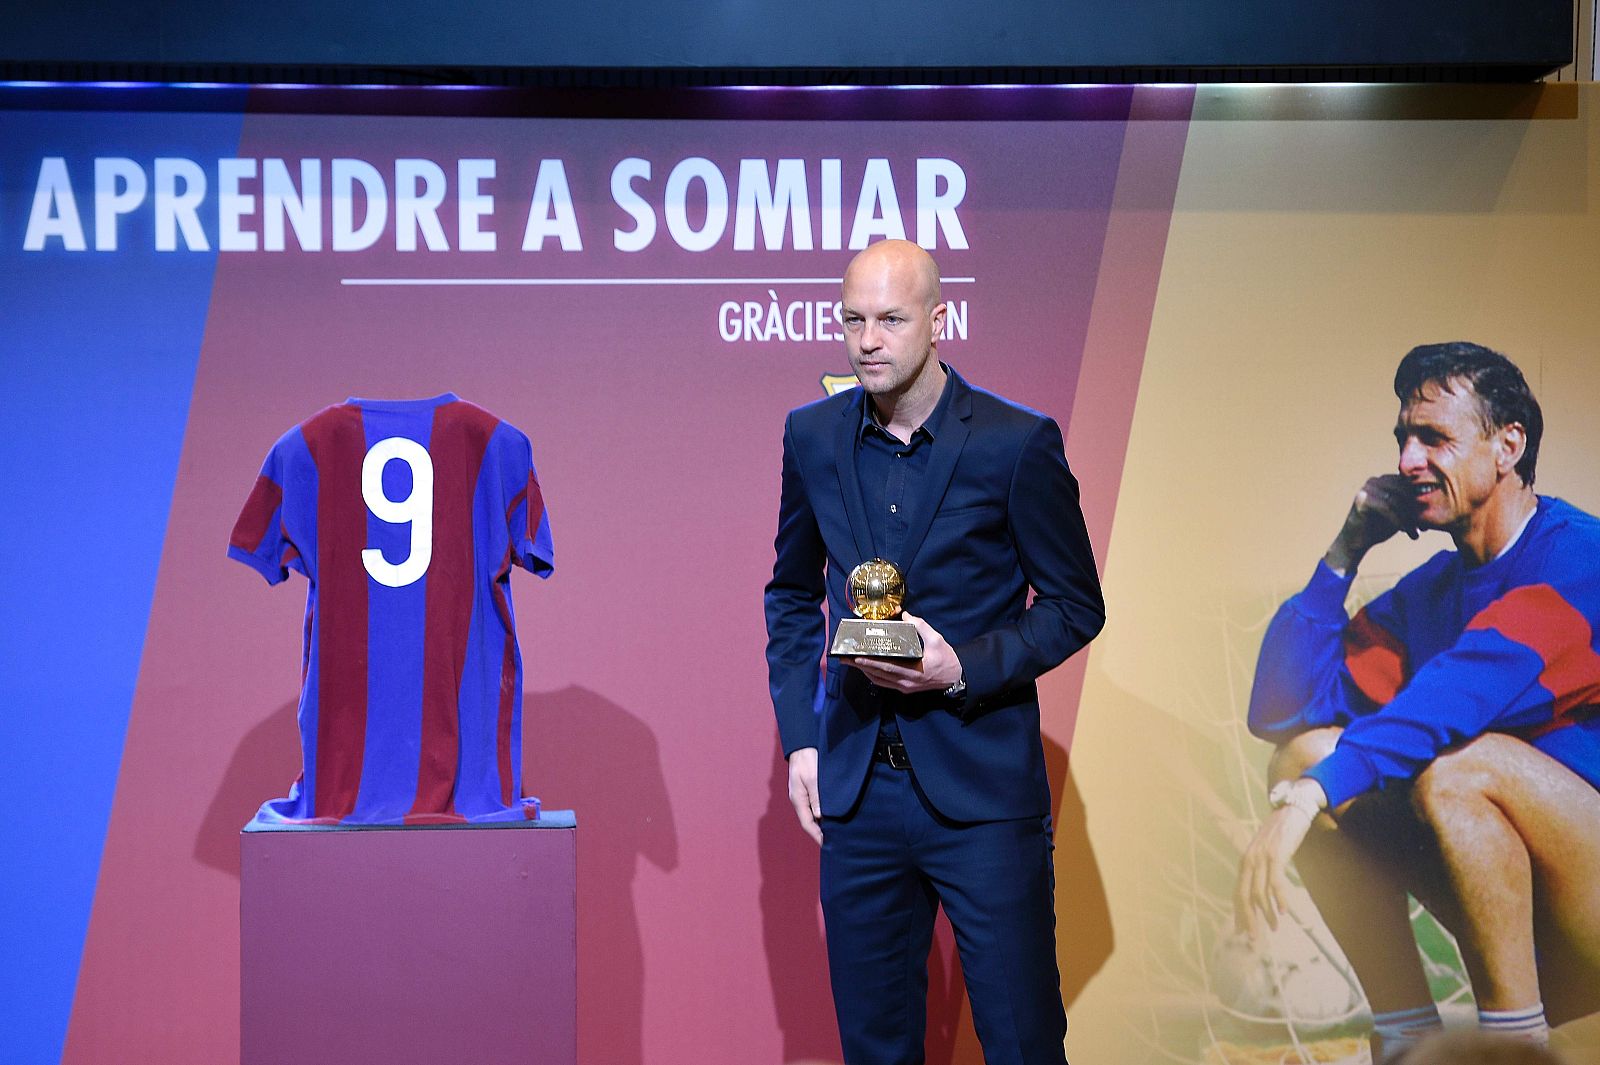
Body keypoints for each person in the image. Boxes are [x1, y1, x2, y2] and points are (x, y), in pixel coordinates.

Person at [763, 239, 1105, 1065]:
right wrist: (803, 739)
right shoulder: (811, 435)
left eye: (889, 319)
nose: (866, 340)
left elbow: (1073, 606)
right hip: (857, 793)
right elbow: (788, 593)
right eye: (852, 320)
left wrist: (962, 667)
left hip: (982, 793)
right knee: (876, 1049)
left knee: (1023, 1042)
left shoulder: (1017, 443)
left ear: (938, 320)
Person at [1235, 343, 1600, 1059]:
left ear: (1508, 445)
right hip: (1526, 920)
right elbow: (1283, 712)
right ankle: (1405, 1036)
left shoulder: (1578, 560)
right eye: (1402, 437)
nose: (1406, 459)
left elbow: (1462, 691)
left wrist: (1309, 796)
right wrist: (1345, 551)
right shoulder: (1429, 594)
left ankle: (1515, 1046)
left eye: (1432, 437)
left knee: (1466, 766)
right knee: (1306, 754)